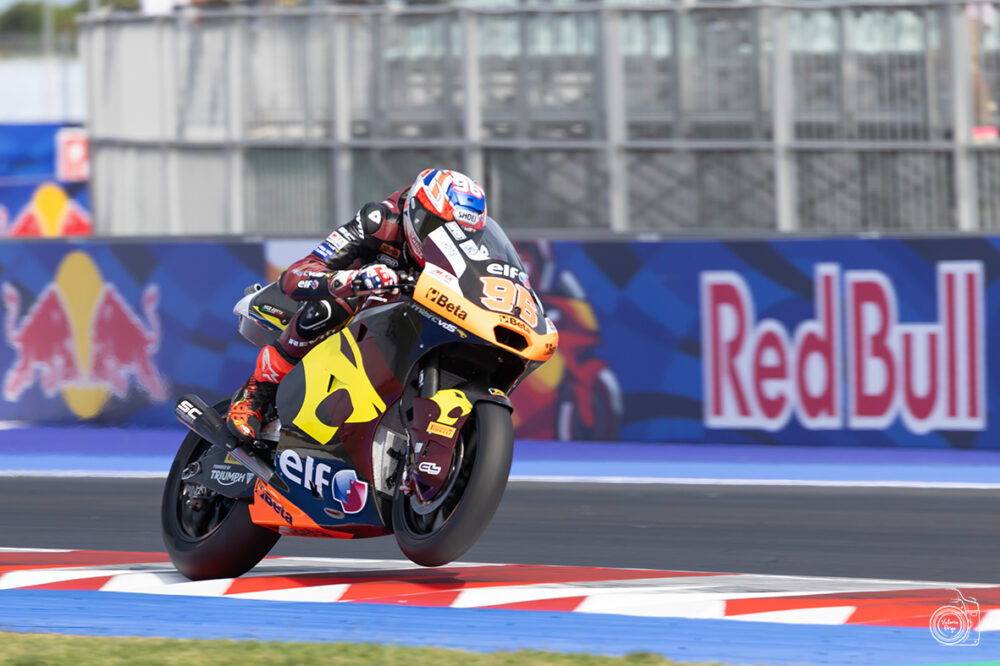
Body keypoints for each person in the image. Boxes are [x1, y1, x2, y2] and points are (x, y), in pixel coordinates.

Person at [226, 168, 488, 444]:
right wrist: (354, 280)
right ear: (416, 212)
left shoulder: (470, 256)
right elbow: (296, 274)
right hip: (354, 307)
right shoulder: (378, 220)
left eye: (463, 234)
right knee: (330, 307)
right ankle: (257, 391)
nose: (446, 240)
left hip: (408, 321)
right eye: (437, 229)